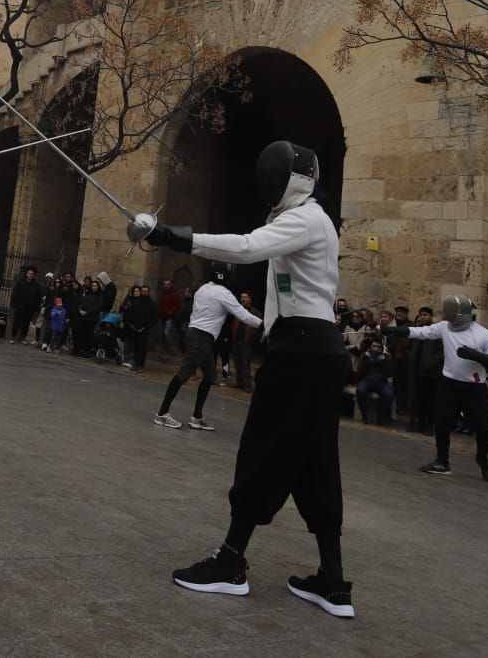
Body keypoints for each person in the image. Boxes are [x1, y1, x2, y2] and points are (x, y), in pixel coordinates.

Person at [148, 140, 354, 619]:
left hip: (302, 353)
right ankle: (333, 581)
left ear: (293, 176)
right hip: (315, 353)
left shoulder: (305, 219)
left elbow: (245, 248)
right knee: (315, 463)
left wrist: (171, 235)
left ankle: (231, 563)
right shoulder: (302, 219)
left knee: (263, 449)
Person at [389, 295, 488, 481]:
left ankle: (482, 459)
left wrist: (475, 355)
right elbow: (421, 332)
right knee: (441, 424)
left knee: (484, 428)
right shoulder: (445, 327)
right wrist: (393, 330)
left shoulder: (485, 335)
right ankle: (442, 461)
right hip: (449, 384)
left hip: (475, 387)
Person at [154, 265, 259, 428]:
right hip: (201, 337)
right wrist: (266, 324)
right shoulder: (224, 294)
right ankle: (162, 413)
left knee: (210, 375)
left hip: (197, 334)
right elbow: (243, 315)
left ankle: (196, 417)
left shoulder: (202, 289)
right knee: (183, 373)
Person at [406, 306, 442, 434]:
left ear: (431, 317)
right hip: (417, 371)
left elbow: (440, 352)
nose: (422, 317)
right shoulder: (417, 331)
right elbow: (409, 348)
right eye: (420, 315)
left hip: (431, 373)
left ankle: (429, 425)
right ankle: (420, 424)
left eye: (425, 315)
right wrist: (411, 359)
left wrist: (430, 364)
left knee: (430, 400)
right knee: (419, 399)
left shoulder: (437, 332)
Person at [353, 337, 394, 425]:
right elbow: (360, 370)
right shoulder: (365, 355)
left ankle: (380, 416)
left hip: (381, 381)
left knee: (389, 395)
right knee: (360, 391)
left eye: (378, 347)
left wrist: (384, 361)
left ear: (381, 348)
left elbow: (389, 373)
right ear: (370, 346)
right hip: (368, 379)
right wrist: (365, 358)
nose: (375, 348)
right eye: (374, 346)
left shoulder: (386, 356)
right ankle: (365, 415)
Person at [230, 290, 263, 390]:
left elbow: (259, 328)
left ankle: (246, 385)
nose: (242, 299)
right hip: (236, 340)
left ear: (250, 299)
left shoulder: (255, 312)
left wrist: (253, 338)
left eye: (245, 297)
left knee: (245, 364)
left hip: (247, 342)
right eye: (241, 297)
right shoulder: (238, 311)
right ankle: (239, 382)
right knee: (237, 362)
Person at [121, 283, 158, 372]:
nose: (144, 293)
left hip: (144, 329)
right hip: (134, 328)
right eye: (143, 291)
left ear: (148, 292)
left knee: (142, 348)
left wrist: (147, 327)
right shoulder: (135, 302)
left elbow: (154, 318)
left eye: (146, 291)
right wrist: (131, 325)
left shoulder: (152, 304)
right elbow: (129, 314)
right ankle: (135, 364)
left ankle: (141, 365)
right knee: (136, 347)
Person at [9, 266, 42, 344]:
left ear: (34, 275)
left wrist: (37, 308)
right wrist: (14, 304)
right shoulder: (20, 282)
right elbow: (15, 294)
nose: (30, 275)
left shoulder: (36, 285)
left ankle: (23, 338)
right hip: (20, 306)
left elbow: (38, 298)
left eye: (32, 274)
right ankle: (13, 337)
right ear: (26, 274)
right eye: (29, 273)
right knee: (17, 322)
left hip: (30, 307)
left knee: (26, 323)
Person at [156, 278, 181, 358]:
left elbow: (177, 305)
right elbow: (159, 303)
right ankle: (163, 351)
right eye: (165, 284)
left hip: (169, 317)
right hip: (161, 316)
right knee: (161, 333)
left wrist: (171, 311)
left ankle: (166, 351)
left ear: (171, 285)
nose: (166, 286)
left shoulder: (174, 294)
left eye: (168, 284)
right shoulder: (162, 293)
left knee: (167, 333)